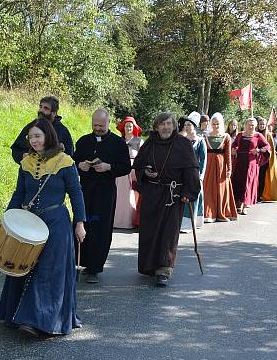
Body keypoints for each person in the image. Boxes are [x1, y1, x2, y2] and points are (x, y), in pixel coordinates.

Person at [0, 118, 86, 336]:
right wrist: (8, 219)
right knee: (22, 265)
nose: (34, 140)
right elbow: (19, 194)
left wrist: (80, 222)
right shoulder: (26, 163)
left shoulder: (65, 162)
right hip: (29, 223)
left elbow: (76, 193)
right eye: (30, 137)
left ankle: (39, 321)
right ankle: (18, 315)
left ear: (48, 135)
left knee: (48, 269)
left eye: (37, 136)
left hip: (56, 223)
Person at [133, 112, 201, 287]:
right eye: (162, 124)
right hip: (152, 194)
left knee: (168, 233)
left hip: (173, 195)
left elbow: (192, 169)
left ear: (174, 126)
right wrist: (146, 172)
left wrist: (189, 192)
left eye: (169, 124)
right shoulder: (149, 144)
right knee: (149, 230)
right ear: (156, 127)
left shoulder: (183, 144)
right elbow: (139, 166)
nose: (166, 127)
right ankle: (149, 266)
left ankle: (164, 269)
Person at [73, 108, 131, 283]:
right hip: (84, 191)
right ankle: (76, 263)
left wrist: (109, 167)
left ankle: (94, 268)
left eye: (101, 125)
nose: (97, 128)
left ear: (108, 123)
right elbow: (72, 162)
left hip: (105, 193)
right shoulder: (83, 141)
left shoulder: (118, 143)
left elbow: (126, 167)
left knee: (100, 229)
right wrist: (79, 165)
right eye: (95, 125)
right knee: (80, 225)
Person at [11, 96, 74, 164]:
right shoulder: (31, 126)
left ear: (54, 113)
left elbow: (69, 156)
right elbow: (17, 148)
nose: (41, 110)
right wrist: (22, 156)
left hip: (53, 172)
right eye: (40, 107)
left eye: (46, 108)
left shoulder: (62, 131)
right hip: (30, 170)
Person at [202, 113, 238, 222]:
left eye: (217, 124)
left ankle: (222, 213)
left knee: (221, 189)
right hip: (208, 166)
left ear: (221, 124)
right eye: (213, 124)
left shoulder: (226, 137)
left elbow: (228, 155)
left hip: (221, 167)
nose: (215, 126)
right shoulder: (205, 136)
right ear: (210, 124)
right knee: (208, 189)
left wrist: (229, 169)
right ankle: (209, 213)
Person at [231, 117, 269, 215]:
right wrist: (234, 149)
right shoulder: (240, 135)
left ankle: (246, 205)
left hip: (251, 163)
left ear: (255, 126)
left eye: (253, 125)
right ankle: (238, 203)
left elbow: (267, 146)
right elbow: (234, 145)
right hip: (240, 162)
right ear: (245, 125)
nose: (251, 127)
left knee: (248, 182)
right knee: (238, 181)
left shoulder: (258, 135)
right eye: (249, 125)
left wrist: (258, 150)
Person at [113, 116, 142, 229]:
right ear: (123, 128)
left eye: (130, 126)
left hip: (133, 171)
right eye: (126, 126)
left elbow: (142, 157)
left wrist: (137, 169)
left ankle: (129, 221)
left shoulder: (139, 141)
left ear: (134, 128)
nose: (128, 128)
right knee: (119, 195)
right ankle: (116, 221)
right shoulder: (119, 141)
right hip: (120, 171)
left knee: (131, 194)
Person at [179, 113, 205, 232]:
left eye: (189, 125)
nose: (187, 127)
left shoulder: (200, 141)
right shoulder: (183, 140)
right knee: (185, 196)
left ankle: (194, 222)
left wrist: (201, 175)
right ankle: (184, 222)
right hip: (184, 173)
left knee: (195, 196)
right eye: (185, 125)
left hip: (195, 172)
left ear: (194, 126)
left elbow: (204, 160)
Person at [256, 116, 277, 202]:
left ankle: (259, 195)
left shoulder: (268, 135)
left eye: (263, 124)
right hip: (255, 160)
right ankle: (254, 194)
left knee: (261, 178)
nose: (262, 126)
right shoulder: (254, 134)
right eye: (260, 124)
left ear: (265, 125)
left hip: (264, 161)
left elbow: (271, 149)